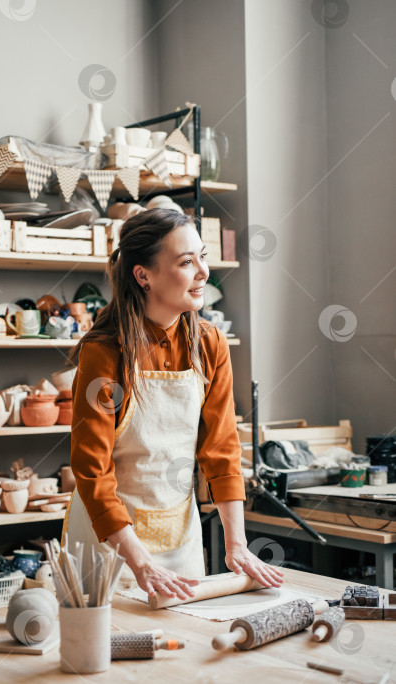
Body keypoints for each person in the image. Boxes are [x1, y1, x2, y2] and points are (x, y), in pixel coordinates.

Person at [63, 208, 283, 600]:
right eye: (186, 261)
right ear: (143, 275)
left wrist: (237, 544)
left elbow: (221, 450)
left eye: (202, 256)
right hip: (108, 548)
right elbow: (91, 471)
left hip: (179, 541)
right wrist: (140, 561)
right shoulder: (105, 353)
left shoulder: (209, 343)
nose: (203, 272)